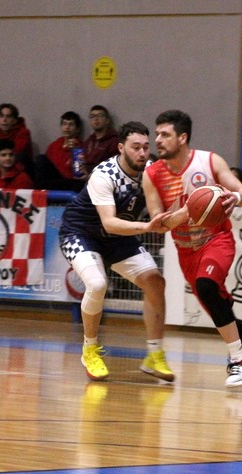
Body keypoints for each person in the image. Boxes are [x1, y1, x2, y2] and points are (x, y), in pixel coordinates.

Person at [142, 109, 242, 388]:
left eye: (165, 134)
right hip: (186, 251)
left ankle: (239, 362)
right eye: (157, 134)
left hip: (216, 240)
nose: (157, 140)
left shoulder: (209, 161)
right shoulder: (152, 174)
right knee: (221, 313)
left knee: (206, 287)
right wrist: (186, 212)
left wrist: (234, 197)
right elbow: (158, 224)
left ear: (182, 138)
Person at [59, 121, 173, 382]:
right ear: (121, 148)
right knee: (97, 284)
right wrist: (147, 226)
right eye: (136, 147)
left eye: (146, 147)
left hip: (118, 238)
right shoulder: (104, 174)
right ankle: (90, 349)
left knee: (155, 282)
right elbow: (110, 222)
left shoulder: (152, 172)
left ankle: (154, 354)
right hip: (81, 233)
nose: (142, 153)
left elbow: (161, 208)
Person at [35, 111, 85, 191]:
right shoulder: (54, 145)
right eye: (64, 124)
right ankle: (37, 193)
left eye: (71, 124)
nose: (67, 127)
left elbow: (79, 172)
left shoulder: (80, 147)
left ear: (77, 129)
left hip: (70, 182)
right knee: (40, 159)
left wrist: (74, 151)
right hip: (53, 180)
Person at [83, 105, 119, 176]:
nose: (96, 119)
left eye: (100, 115)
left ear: (107, 120)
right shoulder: (88, 141)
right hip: (86, 178)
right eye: (92, 116)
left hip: (104, 178)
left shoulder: (114, 141)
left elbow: (113, 166)